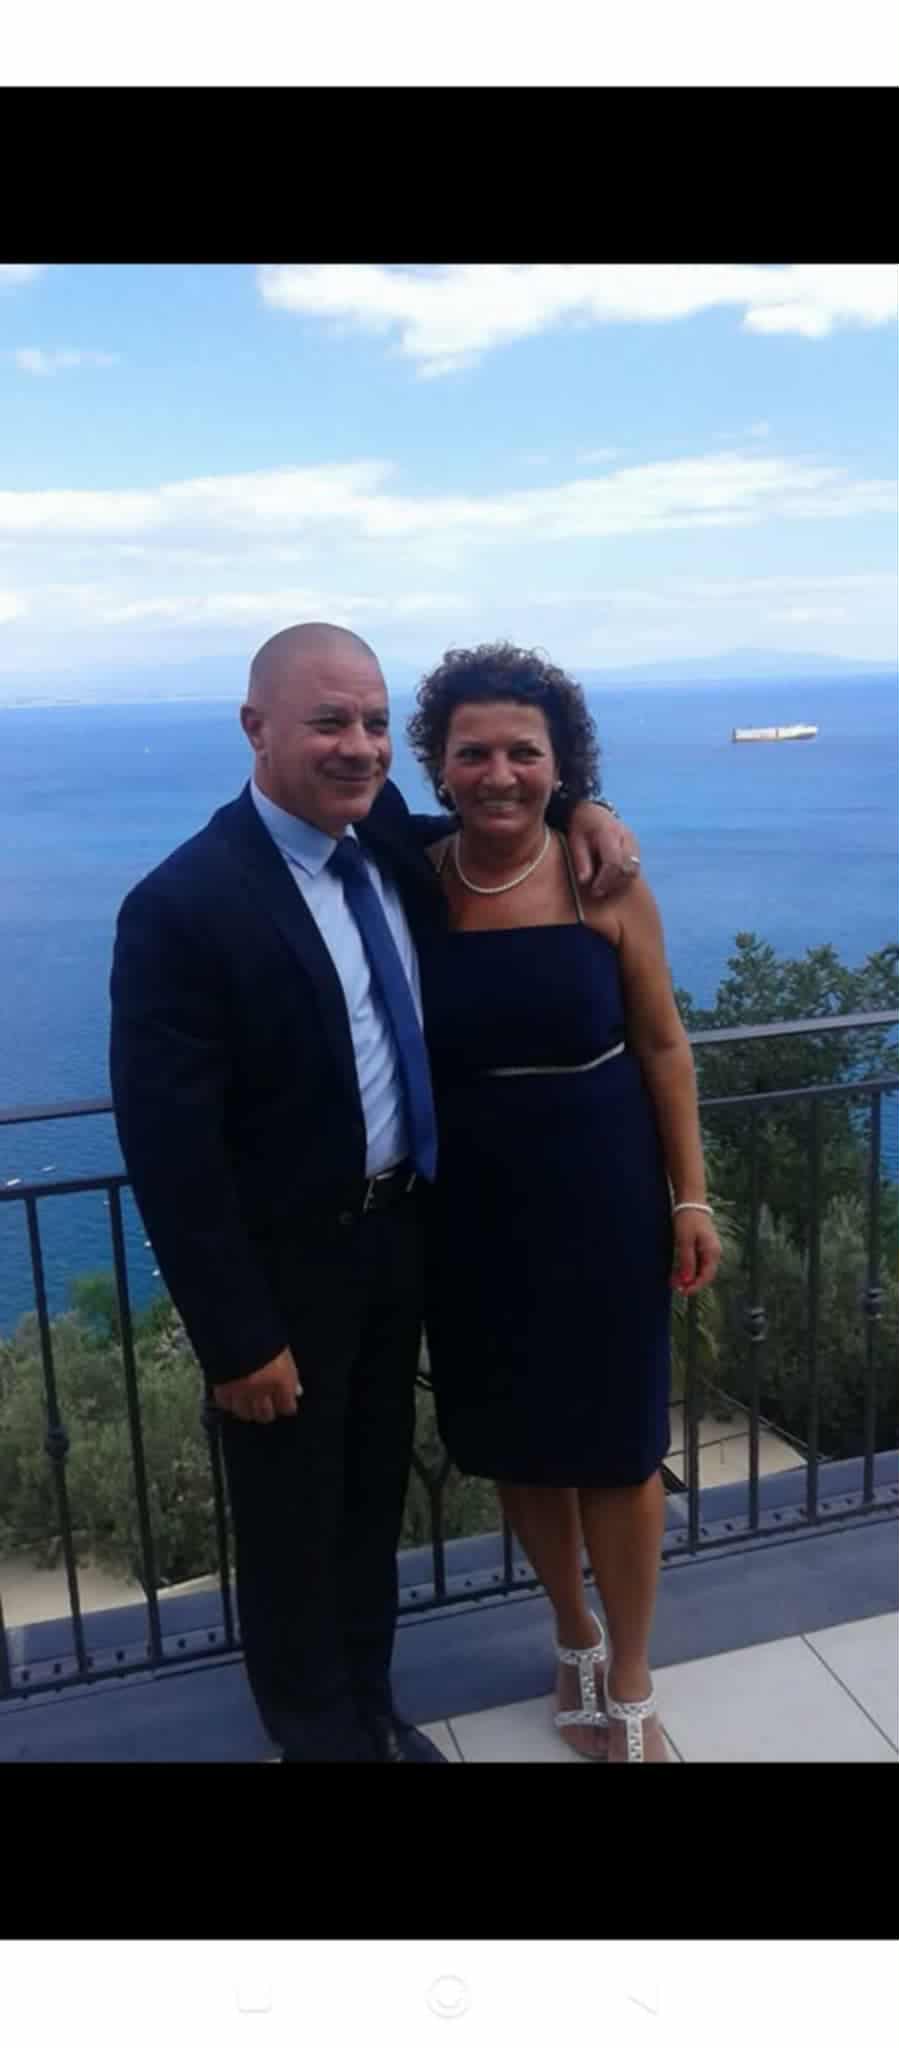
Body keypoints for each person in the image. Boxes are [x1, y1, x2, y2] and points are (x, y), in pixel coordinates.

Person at [109, 621, 642, 1764]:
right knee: (290, 1519)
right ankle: (320, 1734)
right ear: (255, 728)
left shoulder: (387, 836)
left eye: (371, 721)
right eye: (326, 722)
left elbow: (495, 812)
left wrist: (583, 809)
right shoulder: (185, 905)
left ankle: (371, 1707)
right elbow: (170, 1150)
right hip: (286, 1273)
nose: (356, 746)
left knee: (366, 1504)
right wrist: (236, 1336)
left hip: (400, 1241)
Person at [407, 641, 721, 1764]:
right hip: (468, 1208)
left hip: (601, 1193)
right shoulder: (408, 875)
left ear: (560, 764)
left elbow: (663, 1045)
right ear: (439, 765)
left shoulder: (604, 880)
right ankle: (571, 1633)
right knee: (519, 1443)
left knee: (619, 1448)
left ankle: (629, 1668)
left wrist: (691, 1199)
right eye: (473, 752)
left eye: (523, 752)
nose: (498, 773)